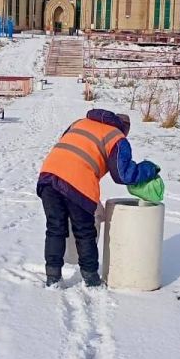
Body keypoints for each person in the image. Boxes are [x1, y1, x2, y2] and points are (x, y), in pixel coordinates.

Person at [37, 109, 159, 287]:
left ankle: (53, 278)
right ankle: (91, 277)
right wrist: (149, 169)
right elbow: (123, 175)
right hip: (78, 182)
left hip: (48, 175)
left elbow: (70, 145)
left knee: (55, 228)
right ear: (124, 129)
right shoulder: (117, 137)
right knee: (85, 231)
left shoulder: (79, 122)